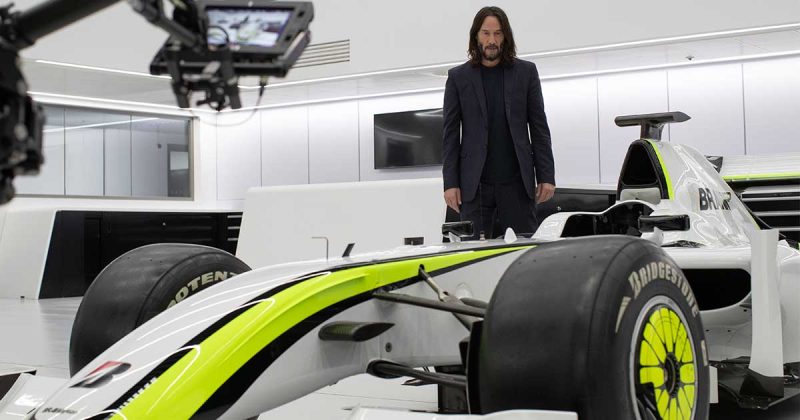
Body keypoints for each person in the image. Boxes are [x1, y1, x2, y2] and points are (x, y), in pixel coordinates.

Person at [442, 6, 555, 239]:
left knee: (522, 252)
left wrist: (546, 175)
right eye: (486, 33)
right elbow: (450, 135)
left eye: (498, 33)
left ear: (506, 36)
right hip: (474, 188)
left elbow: (539, 128)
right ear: (476, 36)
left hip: (517, 185)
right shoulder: (457, 78)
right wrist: (450, 183)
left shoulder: (526, 72)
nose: (492, 40)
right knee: (473, 254)